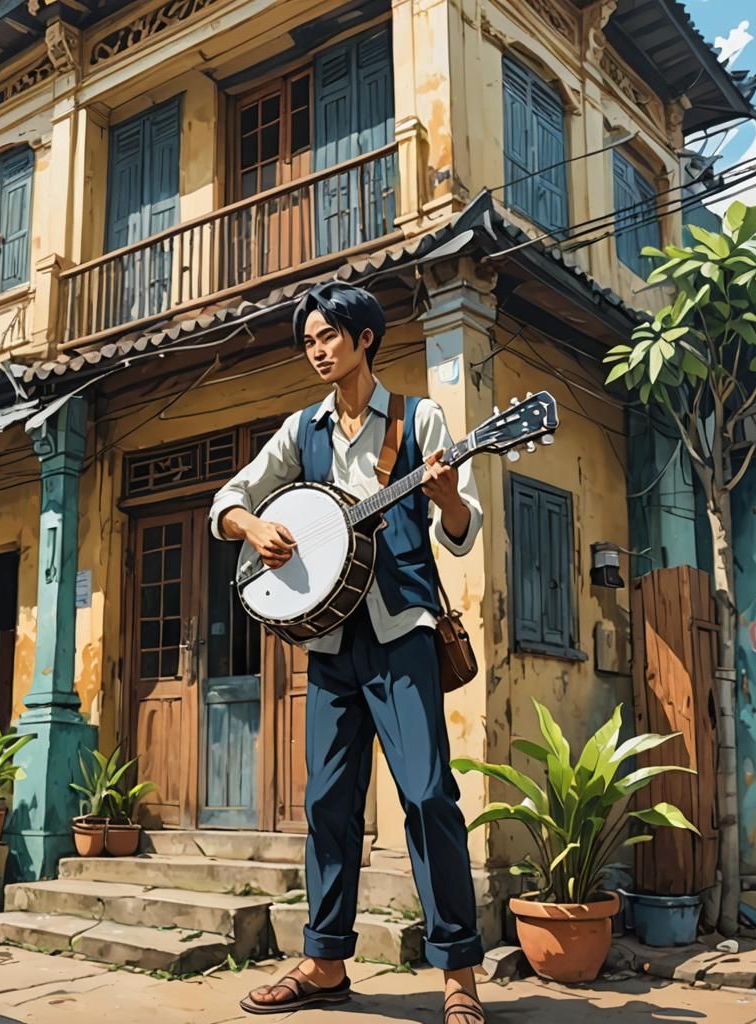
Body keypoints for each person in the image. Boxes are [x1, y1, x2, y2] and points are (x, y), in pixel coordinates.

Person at [209, 282, 486, 1023]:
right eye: (308, 341)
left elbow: (462, 529)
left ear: (365, 338)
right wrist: (251, 528)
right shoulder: (302, 430)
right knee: (329, 804)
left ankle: (459, 973)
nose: (318, 350)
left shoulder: (420, 416)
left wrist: (449, 495)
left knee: (428, 796)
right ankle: (326, 961)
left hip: (401, 634)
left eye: (329, 335)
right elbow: (230, 498)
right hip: (330, 639)